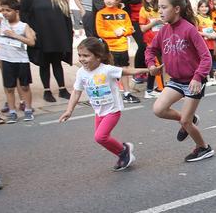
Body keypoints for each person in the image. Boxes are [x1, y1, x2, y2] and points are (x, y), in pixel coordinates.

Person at [59, 38, 155, 170]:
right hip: (99, 111)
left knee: (100, 137)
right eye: (80, 55)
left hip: (112, 110)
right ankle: (124, 150)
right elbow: (76, 92)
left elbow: (128, 71)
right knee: (102, 138)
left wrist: (149, 70)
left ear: (98, 57)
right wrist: (69, 110)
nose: (82, 59)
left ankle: (123, 152)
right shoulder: (81, 72)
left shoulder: (107, 70)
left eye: (86, 55)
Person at [146, 0, 214, 162]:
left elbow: (207, 57)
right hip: (176, 80)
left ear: (176, 9)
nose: (159, 12)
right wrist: (151, 65)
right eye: (158, 8)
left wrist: (198, 77)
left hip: (193, 81)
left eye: (163, 7)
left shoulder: (189, 29)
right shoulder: (164, 31)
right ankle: (191, 118)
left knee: (185, 122)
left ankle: (203, 148)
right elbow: (150, 50)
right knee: (158, 109)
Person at [20, 0, 73, 103]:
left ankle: (62, 89)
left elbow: (66, 15)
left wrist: (68, 33)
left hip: (57, 34)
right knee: (44, 63)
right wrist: (29, 30)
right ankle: (47, 90)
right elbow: (23, 13)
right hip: (40, 33)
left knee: (57, 62)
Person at [96, 0, 139, 104]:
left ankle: (126, 93)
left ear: (117, 0)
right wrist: (114, 34)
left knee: (124, 70)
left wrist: (123, 32)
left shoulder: (123, 13)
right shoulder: (100, 14)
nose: (108, 1)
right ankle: (109, 94)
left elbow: (130, 28)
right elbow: (100, 32)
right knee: (108, 72)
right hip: (109, 48)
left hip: (123, 47)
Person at [0, 0, 36, 123]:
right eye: (3, 10)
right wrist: (2, 7)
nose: (5, 13)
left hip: (21, 60)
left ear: (16, 11)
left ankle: (28, 110)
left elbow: (31, 42)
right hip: (6, 59)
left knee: (24, 86)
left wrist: (15, 36)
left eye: (8, 10)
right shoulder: (2, 22)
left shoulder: (24, 26)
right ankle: (12, 111)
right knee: (9, 87)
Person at [116, 0, 149, 74]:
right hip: (133, 19)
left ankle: (146, 70)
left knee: (148, 44)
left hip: (146, 17)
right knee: (142, 44)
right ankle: (138, 72)